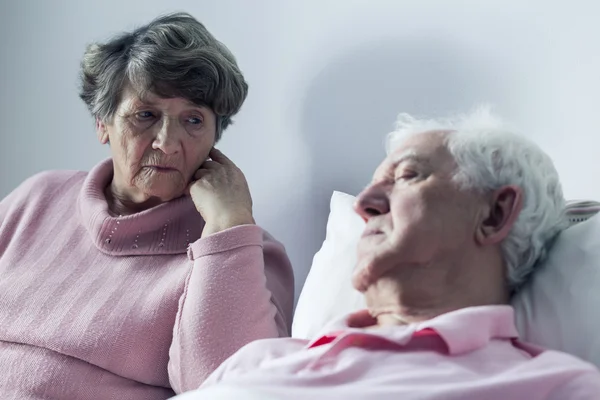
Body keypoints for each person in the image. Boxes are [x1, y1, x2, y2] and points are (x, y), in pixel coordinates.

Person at [173, 109, 600, 399]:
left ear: (494, 214)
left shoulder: (556, 388)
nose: (365, 203)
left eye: (407, 175)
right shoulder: (260, 359)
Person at [0, 12, 294, 399]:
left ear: (214, 139)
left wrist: (228, 223)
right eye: (146, 115)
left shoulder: (243, 253)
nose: (168, 143)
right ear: (103, 123)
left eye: (193, 120)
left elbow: (230, 389)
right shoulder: (39, 198)